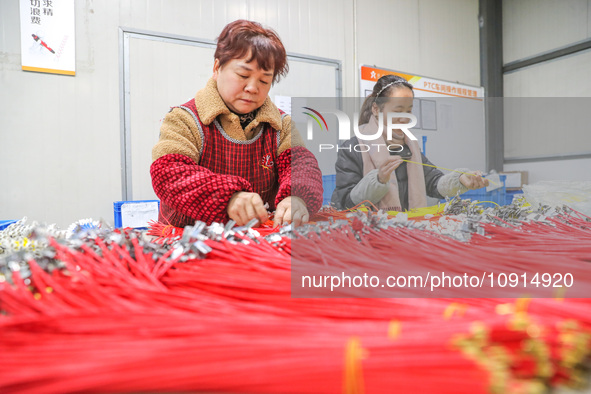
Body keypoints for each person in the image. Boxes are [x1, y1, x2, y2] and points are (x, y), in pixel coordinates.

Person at [151, 20, 322, 228]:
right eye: (243, 75)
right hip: (188, 241)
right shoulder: (184, 119)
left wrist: (297, 197)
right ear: (217, 67)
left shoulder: (281, 125)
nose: (252, 87)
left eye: (264, 81)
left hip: (260, 242)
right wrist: (227, 197)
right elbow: (169, 172)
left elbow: (301, 165)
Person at [331, 74, 488, 211]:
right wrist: (377, 180)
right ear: (376, 109)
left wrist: (460, 179)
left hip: (408, 232)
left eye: (409, 111)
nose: (405, 118)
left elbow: (433, 182)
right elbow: (345, 203)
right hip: (371, 235)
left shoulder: (409, 145)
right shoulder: (352, 148)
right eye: (398, 111)